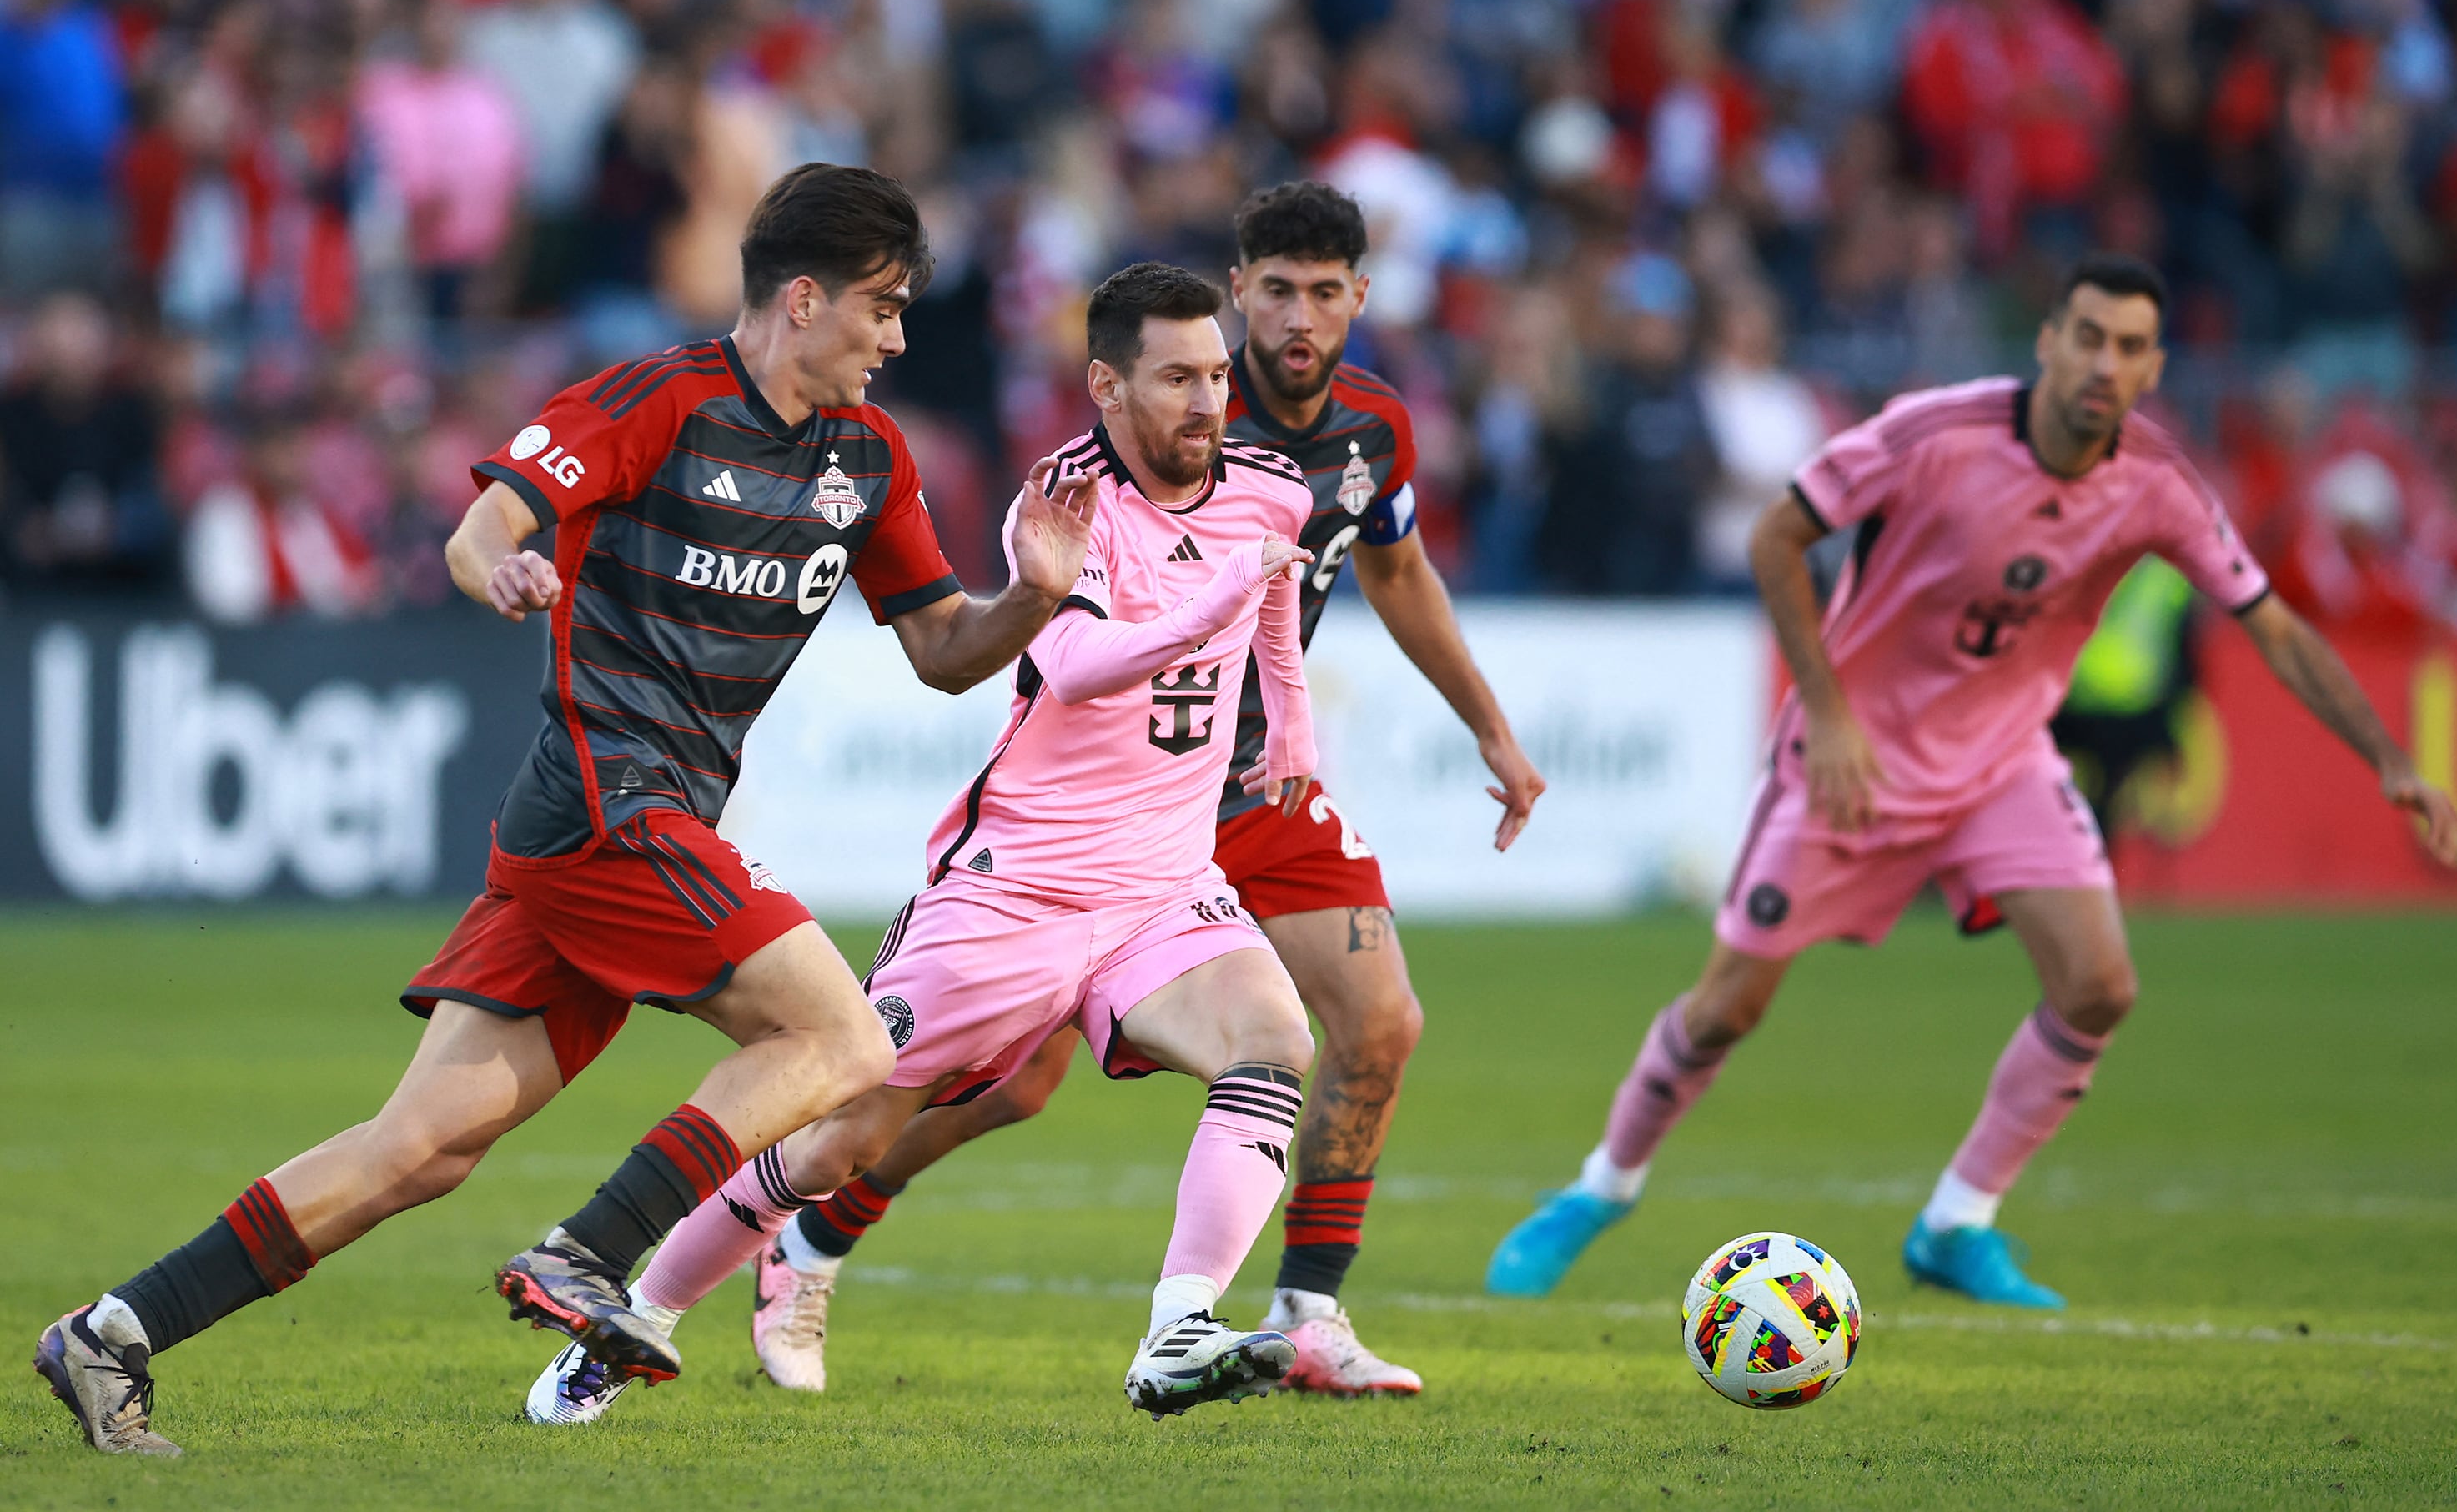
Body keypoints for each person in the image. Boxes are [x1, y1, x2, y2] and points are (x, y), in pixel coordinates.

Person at [33, 163, 1098, 1457]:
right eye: (882, 307)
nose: (898, 337)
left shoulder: (868, 458)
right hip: (608, 800)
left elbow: (939, 648)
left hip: (644, 821)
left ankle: (109, 1335)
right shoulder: (655, 400)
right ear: (804, 300)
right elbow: (482, 528)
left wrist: (1034, 596)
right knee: (848, 1039)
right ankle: (589, 1254)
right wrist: (503, 567)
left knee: (419, 1148)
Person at [1485, 254, 2457, 1309]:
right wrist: (1826, 707)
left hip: (2002, 762)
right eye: (2087, 335)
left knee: (2100, 984)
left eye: (2130, 346)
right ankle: (1600, 1187)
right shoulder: (1933, 433)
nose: (2104, 361)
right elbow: (1779, 532)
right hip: (1848, 759)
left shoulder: (2159, 483)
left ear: (2154, 366)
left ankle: (1957, 1221)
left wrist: (2390, 757)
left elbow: (2269, 622)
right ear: (2047, 341)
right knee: (1728, 1006)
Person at [725, 182, 1549, 1401]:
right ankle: (813, 1237)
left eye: (1326, 292)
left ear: (1361, 300)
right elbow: (1058, 625)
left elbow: (1401, 571)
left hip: (1257, 781)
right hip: (1111, 806)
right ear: (1236, 295)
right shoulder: (1129, 445)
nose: (1296, 321)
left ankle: (1306, 1310)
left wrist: (1490, 728)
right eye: (1273, 291)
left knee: (1379, 1022)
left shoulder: (1370, 430)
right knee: (1008, 1086)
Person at [525, 261, 1325, 1423]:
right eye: (1175, 380)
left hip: (1163, 887)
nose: (1207, 402)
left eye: (1216, 375)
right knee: (838, 1134)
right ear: (1105, 384)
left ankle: (1177, 1328)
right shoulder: (1064, 504)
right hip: (1018, 892)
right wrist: (1213, 603)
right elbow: (1078, 666)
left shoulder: (1268, 493)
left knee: (1273, 1043)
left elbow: (1272, 606)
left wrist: (1289, 725)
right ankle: (633, 1317)